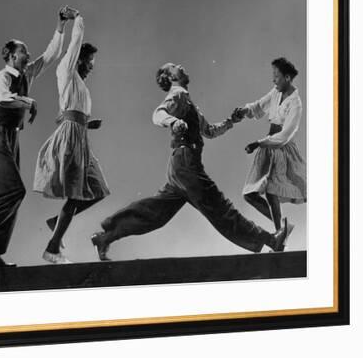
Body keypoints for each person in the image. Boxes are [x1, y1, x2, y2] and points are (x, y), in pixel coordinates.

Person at [91, 62, 290, 261]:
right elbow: (158, 114)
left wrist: (231, 121)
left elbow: (210, 131)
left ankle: (106, 237)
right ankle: (272, 240)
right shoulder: (177, 96)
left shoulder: (187, 102)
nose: (180, 66)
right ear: (170, 78)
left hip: (180, 166)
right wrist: (174, 121)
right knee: (220, 207)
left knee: (155, 214)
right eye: (174, 67)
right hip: (186, 164)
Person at [0, 6, 74, 268]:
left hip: (11, 139)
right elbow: (0, 98)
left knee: (7, 196)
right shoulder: (3, 76)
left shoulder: (26, 74)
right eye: (23, 51)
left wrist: (60, 26)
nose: (28, 54)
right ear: (11, 56)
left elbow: (51, 54)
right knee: (12, 192)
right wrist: (28, 101)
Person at [33, 11, 110, 264]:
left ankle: (57, 223)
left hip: (80, 139)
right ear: (79, 60)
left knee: (97, 190)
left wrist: (88, 123)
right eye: (89, 62)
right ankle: (52, 248)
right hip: (70, 141)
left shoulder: (80, 86)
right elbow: (75, 42)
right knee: (76, 196)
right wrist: (76, 18)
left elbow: (64, 113)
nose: (91, 67)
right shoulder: (66, 71)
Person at [232, 57, 306, 241]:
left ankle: (280, 233)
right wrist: (243, 111)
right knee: (250, 194)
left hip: (281, 149)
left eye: (277, 77)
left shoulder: (295, 103)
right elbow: (259, 106)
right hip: (267, 147)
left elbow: (285, 135)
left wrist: (258, 143)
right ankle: (282, 228)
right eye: (273, 76)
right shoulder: (275, 92)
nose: (274, 80)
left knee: (273, 192)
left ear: (287, 78)